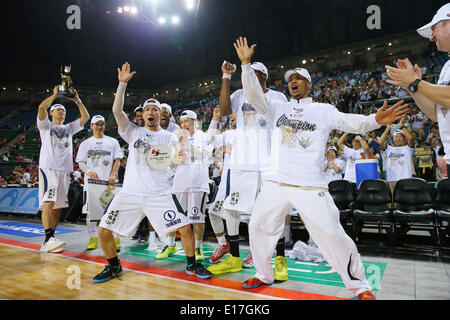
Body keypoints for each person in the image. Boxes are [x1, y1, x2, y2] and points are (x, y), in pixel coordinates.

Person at [234, 37, 408, 299]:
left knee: (330, 232)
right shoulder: (276, 107)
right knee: (258, 224)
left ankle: (359, 285)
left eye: (298, 78)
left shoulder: (322, 110)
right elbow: (253, 94)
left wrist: (375, 120)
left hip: (310, 184)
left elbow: (351, 122)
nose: (292, 82)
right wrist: (246, 66)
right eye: (290, 79)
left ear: (309, 83)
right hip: (277, 182)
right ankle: (263, 273)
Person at [93, 62, 211, 283]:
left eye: (155, 110)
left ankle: (192, 264)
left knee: (185, 229)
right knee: (103, 229)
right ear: (142, 114)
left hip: (160, 194)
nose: (150, 112)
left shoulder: (171, 136)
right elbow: (116, 111)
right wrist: (121, 84)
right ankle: (114, 266)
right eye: (147, 109)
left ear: (161, 115)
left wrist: (178, 159)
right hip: (131, 193)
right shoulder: (132, 132)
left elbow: (180, 158)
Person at [208, 58, 288, 276]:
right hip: (241, 159)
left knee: (274, 210)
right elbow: (224, 110)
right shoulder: (239, 94)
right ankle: (234, 257)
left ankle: (280, 259)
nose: (247, 78)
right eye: (245, 75)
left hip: (268, 161)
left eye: (252, 74)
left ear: (263, 77)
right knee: (231, 207)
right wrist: (226, 77)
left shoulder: (278, 97)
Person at [385, 3, 450, 183]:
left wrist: (416, 82)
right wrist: (412, 88)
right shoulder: (446, 67)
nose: (431, 37)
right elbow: (437, 114)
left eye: (434, 28)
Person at [37, 85, 90, 253]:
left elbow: (85, 116)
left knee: (58, 206)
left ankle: (50, 239)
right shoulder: (45, 126)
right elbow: (41, 107)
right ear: (51, 113)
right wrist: (54, 96)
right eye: (58, 110)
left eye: (63, 110)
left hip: (64, 170)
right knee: (49, 201)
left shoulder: (69, 128)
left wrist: (77, 100)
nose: (62, 112)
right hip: (49, 168)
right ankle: (47, 238)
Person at [75, 115, 123, 251]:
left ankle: (116, 238)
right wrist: (88, 171)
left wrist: (113, 174)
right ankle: (93, 238)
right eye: (96, 124)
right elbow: (80, 163)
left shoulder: (113, 141)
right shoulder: (85, 144)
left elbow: (117, 159)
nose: (99, 126)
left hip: (109, 183)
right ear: (91, 126)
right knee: (90, 213)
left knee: (113, 212)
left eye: (102, 124)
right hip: (91, 183)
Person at [379, 125, 415, 194]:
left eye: (400, 137)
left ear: (404, 139)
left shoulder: (408, 149)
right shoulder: (389, 149)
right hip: (391, 179)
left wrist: (402, 126)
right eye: (396, 137)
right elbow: (380, 142)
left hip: (406, 179)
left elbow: (410, 138)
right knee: (393, 202)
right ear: (393, 139)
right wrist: (388, 129)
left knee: (406, 200)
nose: (398, 139)